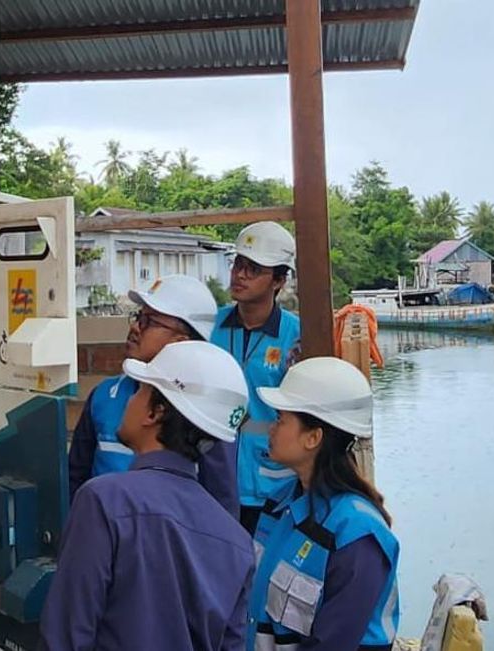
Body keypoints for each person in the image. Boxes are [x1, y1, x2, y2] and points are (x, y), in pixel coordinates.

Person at [41, 341, 255, 651]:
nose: (130, 400)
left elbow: (65, 636)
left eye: (140, 390)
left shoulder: (103, 501)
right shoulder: (238, 542)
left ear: (156, 412)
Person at [247, 357, 399, 651]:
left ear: (313, 437)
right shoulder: (279, 504)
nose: (271, 428)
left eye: (281, 419)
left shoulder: (357, 535)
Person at [68, 274, 239, 516]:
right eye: (138, 316)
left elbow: (222, 506)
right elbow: (75, 479)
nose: (135, 327)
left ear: (180, 341)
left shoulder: (204, 412)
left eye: (150, 321)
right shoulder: (104, 396)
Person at [211, 221, 301, 533]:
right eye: (238, 264)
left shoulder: (295, 336)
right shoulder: (210, 327)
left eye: (253, 268)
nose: (240, 275)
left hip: (275, 487)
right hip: (215, 479)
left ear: (278, 280)